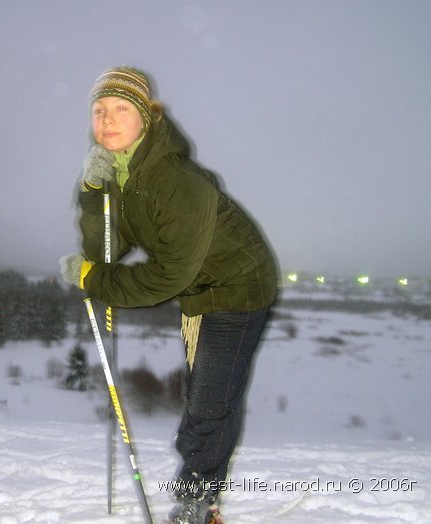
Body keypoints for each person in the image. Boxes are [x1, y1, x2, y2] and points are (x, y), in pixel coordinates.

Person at [60, 67, 278, 524]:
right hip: (199, 290)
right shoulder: (120, 173)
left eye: (121, 108)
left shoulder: (177, 182)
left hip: (239, 286)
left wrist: (93, 281)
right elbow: (104, 250)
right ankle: (203, 471)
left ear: (147, 117)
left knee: (210, 399)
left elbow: (162, 279)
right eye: (99, 110)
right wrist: (90, 191)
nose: (107, 119)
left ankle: (199, 497)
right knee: (205, 392)